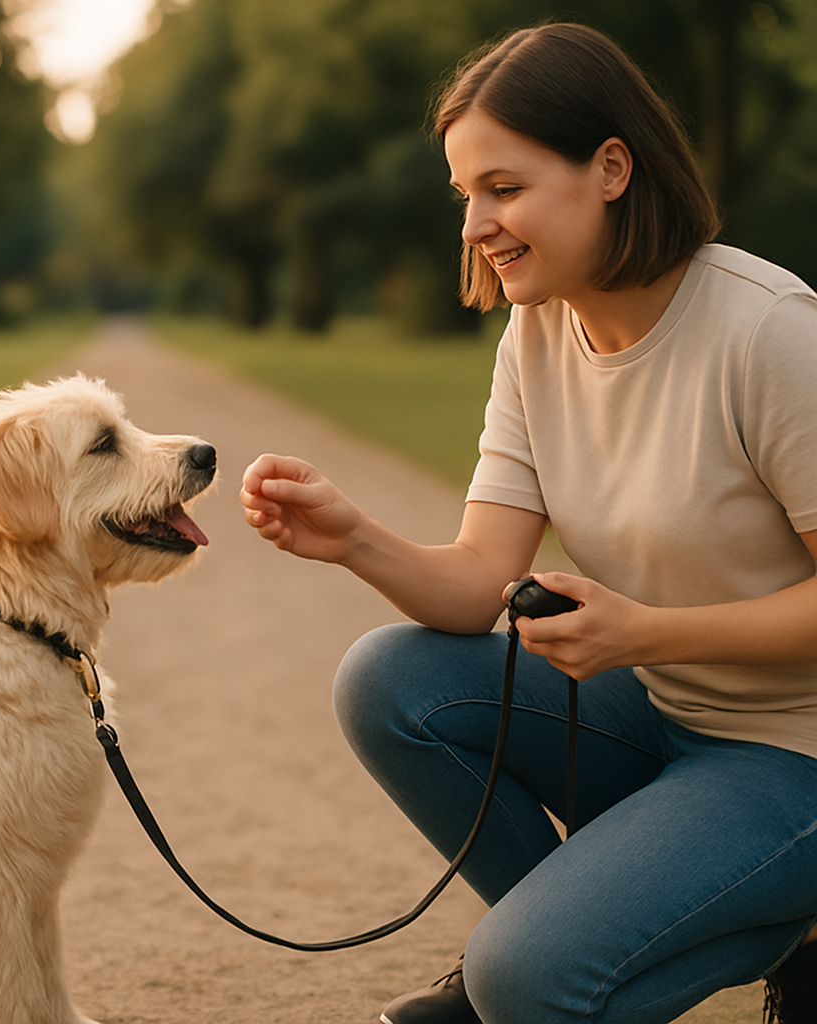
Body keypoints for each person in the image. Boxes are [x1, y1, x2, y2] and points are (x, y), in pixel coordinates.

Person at [240, 22, 817, 1024]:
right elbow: (477, 581)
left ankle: (773, 925)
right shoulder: (537, 333)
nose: (472, 225)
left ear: (609, 168)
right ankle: (567, 952)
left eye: (501, 189)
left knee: (523, 978)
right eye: (465, 194)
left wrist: (644, 634)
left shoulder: (768, 331)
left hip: (793, 758)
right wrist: (353, 538)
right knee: (389, 678)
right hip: (666, 720)